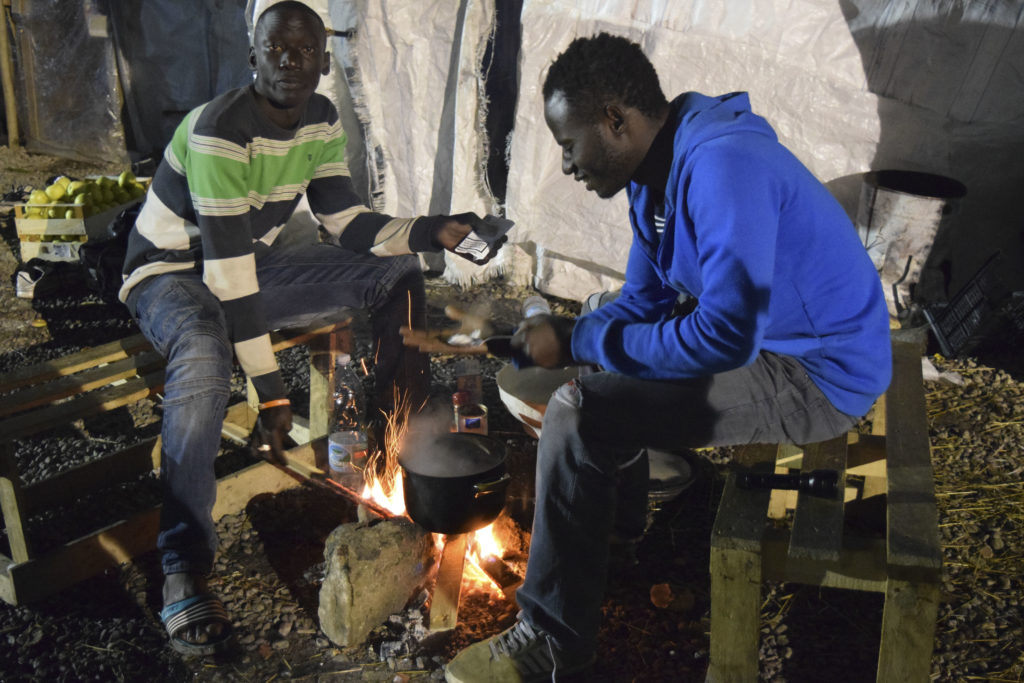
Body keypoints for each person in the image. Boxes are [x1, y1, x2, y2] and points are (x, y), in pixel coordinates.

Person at [442, 32, 892, 682]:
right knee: (599, 365)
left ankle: (550, 641)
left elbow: (726, 336)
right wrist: (574, 331)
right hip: (779, 342)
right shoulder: (654, 177)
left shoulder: (721, 167)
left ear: (615, 121)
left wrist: (579, 343)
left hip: (818, 374)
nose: (566, 165)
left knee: (578, 414)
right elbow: (644, 301)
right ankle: (618, 533)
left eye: (568, 144)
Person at [120, 1, 503, 656]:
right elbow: (226, 278)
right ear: (252, 58)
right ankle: (183, 561)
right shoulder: (217, 129)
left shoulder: (322, 121)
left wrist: (431, 229)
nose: (289, 61)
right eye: (275, 49)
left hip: (246, 264)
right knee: (208, 352)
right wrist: (269, 389)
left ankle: (401, 447)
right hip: (170, 274)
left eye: (303, 51)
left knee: (395, 273)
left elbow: (346, 222)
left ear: (325, 63)